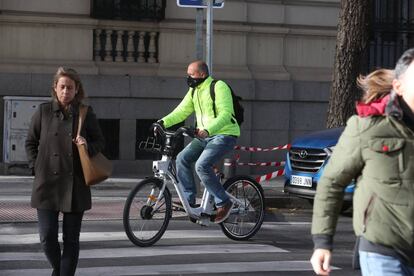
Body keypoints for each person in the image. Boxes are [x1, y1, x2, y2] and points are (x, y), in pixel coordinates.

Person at [310, 48, 414, 276]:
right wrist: (322, 242)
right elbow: (331, 182)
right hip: (383, 249)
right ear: (398, 86)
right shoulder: (367, 127)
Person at [25, 67, 105, 276]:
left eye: (70, 87)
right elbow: (30, 142)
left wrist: (87, 145)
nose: (66, 91)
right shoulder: (43, 111)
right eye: (62, 87)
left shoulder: (85, 112)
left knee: (71, 239)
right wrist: (36, 167)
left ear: (77, 89)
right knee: (46, 236)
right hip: (46, 184)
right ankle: (59, 270)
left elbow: (101, 142)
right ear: (55, 88)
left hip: (75, 183)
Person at [159, 60, 240, 223]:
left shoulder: (219, 87)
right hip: (203, 136)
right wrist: (161, 122)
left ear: (202, 74)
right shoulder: (194, 90)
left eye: (191, 74)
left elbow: (226, 114)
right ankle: (188, 200)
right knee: (182, 159)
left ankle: (224, 202)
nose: (188, 77)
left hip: (224, 134)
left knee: (201, 165)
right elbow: (182, 111)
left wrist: (208, 130)